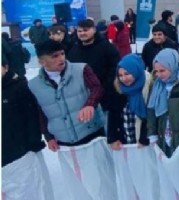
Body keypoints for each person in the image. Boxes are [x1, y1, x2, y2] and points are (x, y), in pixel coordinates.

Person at [29, 39, 117, 197]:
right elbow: (40, 112)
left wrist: (90, 104)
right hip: (64, 143)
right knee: (78, 186)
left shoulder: (81, 69)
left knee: (104, 183)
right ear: (42, 61)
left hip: (91, 136)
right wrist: (48, 137)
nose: (61, 58)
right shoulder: (34, 85)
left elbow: (97, 88)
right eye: (54, 56)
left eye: (62, 54)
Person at [2, 55, 54, 200]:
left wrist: (33, 143)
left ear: (5, 67)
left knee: (35, 188)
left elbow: (32, 116)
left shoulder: (19, 87)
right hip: (5, 155)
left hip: (23, 151)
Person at [67, 19, 122, 126]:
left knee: (108, 132)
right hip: (83, 99)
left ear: (94, 30)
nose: (82, 33)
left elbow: (115, 69)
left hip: (106, 99)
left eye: (85, 30)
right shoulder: (73, 50)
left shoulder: (107, 48)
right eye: (79, 31)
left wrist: (104, 89)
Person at [147, 48, 179, 158]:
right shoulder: (157, 84)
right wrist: (152, 133)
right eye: (156, 71)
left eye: (162, 71)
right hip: (163, 132)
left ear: (172, 66)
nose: (159, 75)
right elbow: (151, 109)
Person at [107, 54, 151, 149]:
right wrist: (113, 138)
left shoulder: (148, 87)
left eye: (127, 74)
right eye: (120, 75)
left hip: (144, 142)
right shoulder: (118, 89)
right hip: (125, 140)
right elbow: (113, 115)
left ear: (136, 71)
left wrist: (144, 138)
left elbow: (151, 116)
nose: (124, 79)